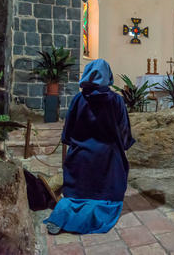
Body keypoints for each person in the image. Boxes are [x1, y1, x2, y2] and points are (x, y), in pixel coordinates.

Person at [44, 59, 135, 234]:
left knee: (75, 196)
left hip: (81, 156)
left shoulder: (78, 99)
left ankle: (63, 215)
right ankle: (90, 215)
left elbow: (68, 130)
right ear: (107, 76)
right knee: (105, 200)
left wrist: (73, 142)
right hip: (108, 157)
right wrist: (123, 145)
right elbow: (124, 130)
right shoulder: (116, 100)